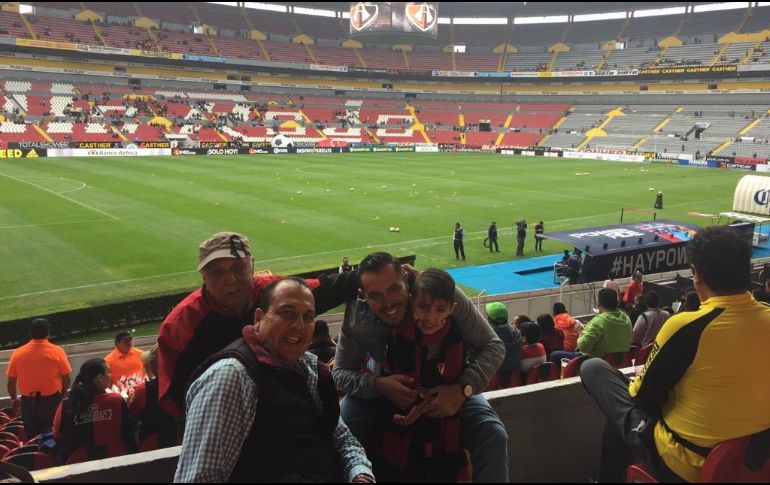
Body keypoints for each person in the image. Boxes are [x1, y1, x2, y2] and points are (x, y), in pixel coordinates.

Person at [580, 225, 770, 482]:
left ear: (697, 275)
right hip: (757, 463)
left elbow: (642, 399)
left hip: (688, 466)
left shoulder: (686, 326)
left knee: (594, 370)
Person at [175, 278, 374, 483]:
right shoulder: (231, 378)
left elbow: (343, 439)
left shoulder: (308, 369)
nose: (298, 325)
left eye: (307, 317)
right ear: (259, 318)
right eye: (287, 313)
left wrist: (360, 474)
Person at [332, 252, 508, 482]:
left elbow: (494, 346)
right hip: (383, 390)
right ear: (362, 295)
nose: (388, 304)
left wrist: (461, 389)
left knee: (492, 433)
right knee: (343, 431)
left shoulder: (440, 293)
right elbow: (340, 374)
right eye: (375, 296)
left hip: (447, 384)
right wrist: (379, 385)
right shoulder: (358, 318)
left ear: (407, 280)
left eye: (394, 289)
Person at [157, 231, 347, 418]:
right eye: (217, 273)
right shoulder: (180, 325)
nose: (230, 280)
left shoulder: (272, 291)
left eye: (238, 268)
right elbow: (174, 397)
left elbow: (324, 289)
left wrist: (366, 278)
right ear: (203, 276)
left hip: (281, 408)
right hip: (216, 416)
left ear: (252, 266)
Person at [379, 269, 470, 481]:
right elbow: (386, 392)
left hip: (445, 438)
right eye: (423, 307)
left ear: (452, 309)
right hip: (405, 438)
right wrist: (397, 418)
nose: (430, 317)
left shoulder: (457, 338)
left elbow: (459, 388)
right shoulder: (397, 337)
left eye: (440, 309)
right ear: (412, 302)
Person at [53, 358, 134, 463]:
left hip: (77, 467)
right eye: (109, 372)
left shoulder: (65, 405)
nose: (110, 375)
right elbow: (129, 432)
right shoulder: (116, 401)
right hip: (117, 463)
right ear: (99, 378)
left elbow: (57, 436)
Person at [6, 318, 71, 439]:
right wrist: (61, 395)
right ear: (48, 333)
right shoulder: (57, 351)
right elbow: (66, 378)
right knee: (53, 434)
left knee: (32, 436)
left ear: (30, 333)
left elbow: (11, 382)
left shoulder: (17, 353)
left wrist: (14, 399)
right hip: (52, 400)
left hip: (28, 402)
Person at [550, 288, 632, 363]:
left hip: (597, 362)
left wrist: (580, 331)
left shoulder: (598, 321)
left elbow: (583, 346)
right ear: (617, 303)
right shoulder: (626, 318)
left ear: (598, 306)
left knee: (554, 355)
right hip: (619, 361)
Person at [128, 345, 179, 451]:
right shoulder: (186, 383)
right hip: (182, 441)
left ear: (156, 366)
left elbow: (132, 415)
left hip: (152, 446)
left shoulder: (143, 390)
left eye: (150, 364)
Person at [485, 302, 522, 389]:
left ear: (489, 319)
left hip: (491, 384)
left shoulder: (486, 338)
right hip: (514, 382)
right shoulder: (517, 334)